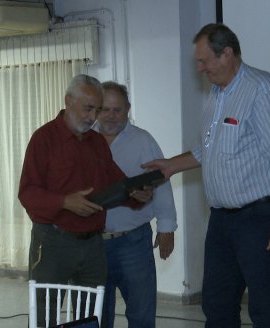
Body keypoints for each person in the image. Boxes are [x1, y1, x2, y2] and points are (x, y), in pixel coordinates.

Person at [142, 23, 270, 328]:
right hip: (221, 221)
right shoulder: (216, 94)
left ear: (227, 54)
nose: (200, 68)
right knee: (216, 305)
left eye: (204, 60)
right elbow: (208, 149)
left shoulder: (260, 89)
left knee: (266, 308)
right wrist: (169, 166)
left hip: (260, 220)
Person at [18, 74, 151, 326]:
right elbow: (27, 193)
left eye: (96, 110)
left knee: (89, 317)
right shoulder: (44, 139)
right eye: (88, 108)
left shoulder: (97, 142)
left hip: (92, 245)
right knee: (45, 315)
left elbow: (116, 184)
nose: (92, 117)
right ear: (68, 101)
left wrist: (137, 195)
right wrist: (64, 202)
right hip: (53, 242)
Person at [93, 81, 178, 328]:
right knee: (96, 316)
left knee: (141, 315)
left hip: (133, 243)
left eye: (117, 110)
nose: (110, 116)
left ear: (128, 108)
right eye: (105, 109)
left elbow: (161, 183)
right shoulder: (84, 141)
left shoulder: (143, 141)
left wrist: (166, 228)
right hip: (91, 246)